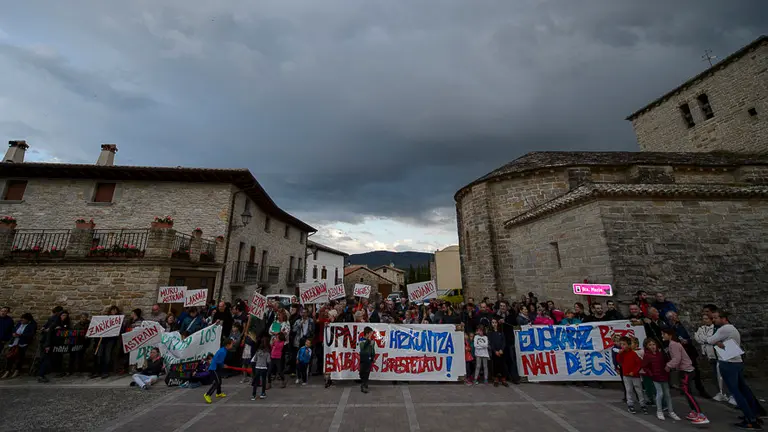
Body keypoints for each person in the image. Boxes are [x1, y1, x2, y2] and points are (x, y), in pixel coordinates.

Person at [707, 311, 765, 430]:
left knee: (736, 392)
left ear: (724, 319)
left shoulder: (724, 329)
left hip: (728, 362)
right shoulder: (732, 329)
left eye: (716, 318)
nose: (714, 320)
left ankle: (751, 420)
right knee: (743, 389)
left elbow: (710, 340)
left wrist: (716, 342)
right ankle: (753, 414)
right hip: (736, 362)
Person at [662, 329, 709, 425]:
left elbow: (677, 358)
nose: (662, 335)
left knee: (687, 393)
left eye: (664, 334)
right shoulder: (673, 344)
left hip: (686, 371)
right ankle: (694, 411)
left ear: (669, 334)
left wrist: (668, 365)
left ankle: (700, 415)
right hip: (685, 370)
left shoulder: (673, 344)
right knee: (687, 392)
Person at [694, 313, 735, 406]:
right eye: (703, 319)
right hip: (710, 354)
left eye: (707, 319)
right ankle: (721, 393)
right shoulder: (701, 328)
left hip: (719, 354)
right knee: (715, 376)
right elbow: (698, 338)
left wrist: (706, 339)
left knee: (724, 376)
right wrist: (706, 339)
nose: (705, 320)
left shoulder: (719, 328)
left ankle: (731, 394)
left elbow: (710, 339)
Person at [641, 338, 681, 421]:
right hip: (655, 377)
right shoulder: (647, 355)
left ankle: (671, 411)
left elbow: (666, 362)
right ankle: (659, 411)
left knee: (667, 394)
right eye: (650, 345)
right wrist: (651, 374)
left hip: (664, 375)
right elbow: (645, 367)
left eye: (653, 344)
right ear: (647, 346)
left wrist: (668, 369)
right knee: (660, 393)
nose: (652, 346)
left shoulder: (660, 354)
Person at [616, 336, 647, 414]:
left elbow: (639, 364)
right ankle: (630, 405)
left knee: (639, 390)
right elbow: (619, 361)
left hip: (635, 375)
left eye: (624, 344)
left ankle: (643, 404)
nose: (622, 346)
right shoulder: (622, 354)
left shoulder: (633, 353)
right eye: (621, 344)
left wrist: (634, 371)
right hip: (626, 375)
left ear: (629, 345)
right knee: (629, 390)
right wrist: (619, 354)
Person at [1, 313, 37, 379]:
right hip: (15, 342)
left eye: (24, 319)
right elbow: (14, 329)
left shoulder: (31, 325)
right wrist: (14, 333)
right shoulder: (19, 323)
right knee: (10, 356)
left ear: (28, 320)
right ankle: (7, 371)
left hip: (23, 343)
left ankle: (17, 371)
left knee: (20, 357)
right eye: (21, 319)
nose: (22, 320)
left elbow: (31, 334)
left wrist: (20, 335)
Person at [204, 339, 232, 404]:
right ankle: (207, 394)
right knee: (217, 382)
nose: (232, 345)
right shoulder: (223, 351)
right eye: (231, 344)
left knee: (219, 380)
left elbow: (219, 360)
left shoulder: (224, 350)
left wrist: (222, 364)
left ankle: (218, 393)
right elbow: (217, 361)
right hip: (213, 368)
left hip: (216, 368)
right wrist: (223, 365)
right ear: (227, 345)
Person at [488, 318, 508, 387]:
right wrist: (495, 351)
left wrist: (501, 349)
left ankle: (503, 379)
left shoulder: (501, 331)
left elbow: (504, 341)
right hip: (495, 352)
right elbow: (490, 343)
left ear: (497, 323)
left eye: (495, 322)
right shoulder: (490, 333)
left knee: (503, 365)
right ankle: (496, 379)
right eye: (493, 323)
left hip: (501, 351)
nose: (494, 324)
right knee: (495, 365)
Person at [359, 326, 375, 394]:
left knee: (367, 371)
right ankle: (363, 385)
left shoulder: (372, 341)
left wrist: (373, 357)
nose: (371, 335)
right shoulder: (362, 339)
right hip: (364, 357)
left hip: (369, 357)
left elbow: (372, 350)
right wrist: (368, 341)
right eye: (371, 333)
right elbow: (363, 347)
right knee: (363, 372)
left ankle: (365, 384)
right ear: (367, 333)